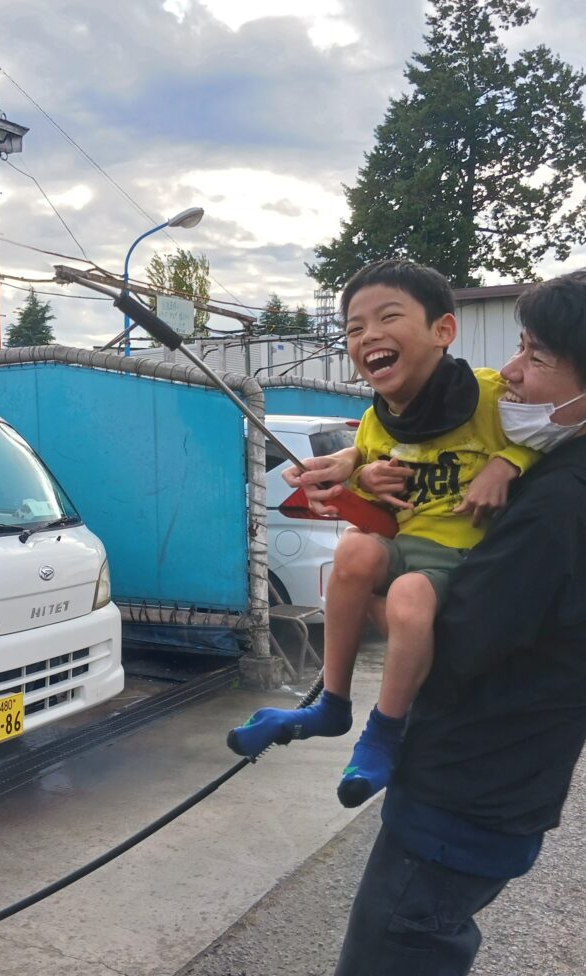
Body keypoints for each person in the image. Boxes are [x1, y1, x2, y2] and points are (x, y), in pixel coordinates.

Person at [335, 271, 586, 974]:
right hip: (502, 785)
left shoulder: (562, 504)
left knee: (395, 950)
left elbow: (458, 644)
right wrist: (358, 470)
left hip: (466, 797)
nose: (509, 372)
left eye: (536, 357)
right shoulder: (553, 472)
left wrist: (370, 601)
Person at [227, 260, 536, 807]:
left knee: (409, 594)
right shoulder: (375, 421)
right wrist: (360, 478)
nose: (367, 335)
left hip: (461, 558)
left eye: (388, 317)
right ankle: (332, 703)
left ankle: (386, 729)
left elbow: (552, 431)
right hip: (407, 544)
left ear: (443, 330)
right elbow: (380, 506)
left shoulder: (488, 394)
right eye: (353, 328)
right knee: (354, 551)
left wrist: (505, 463)